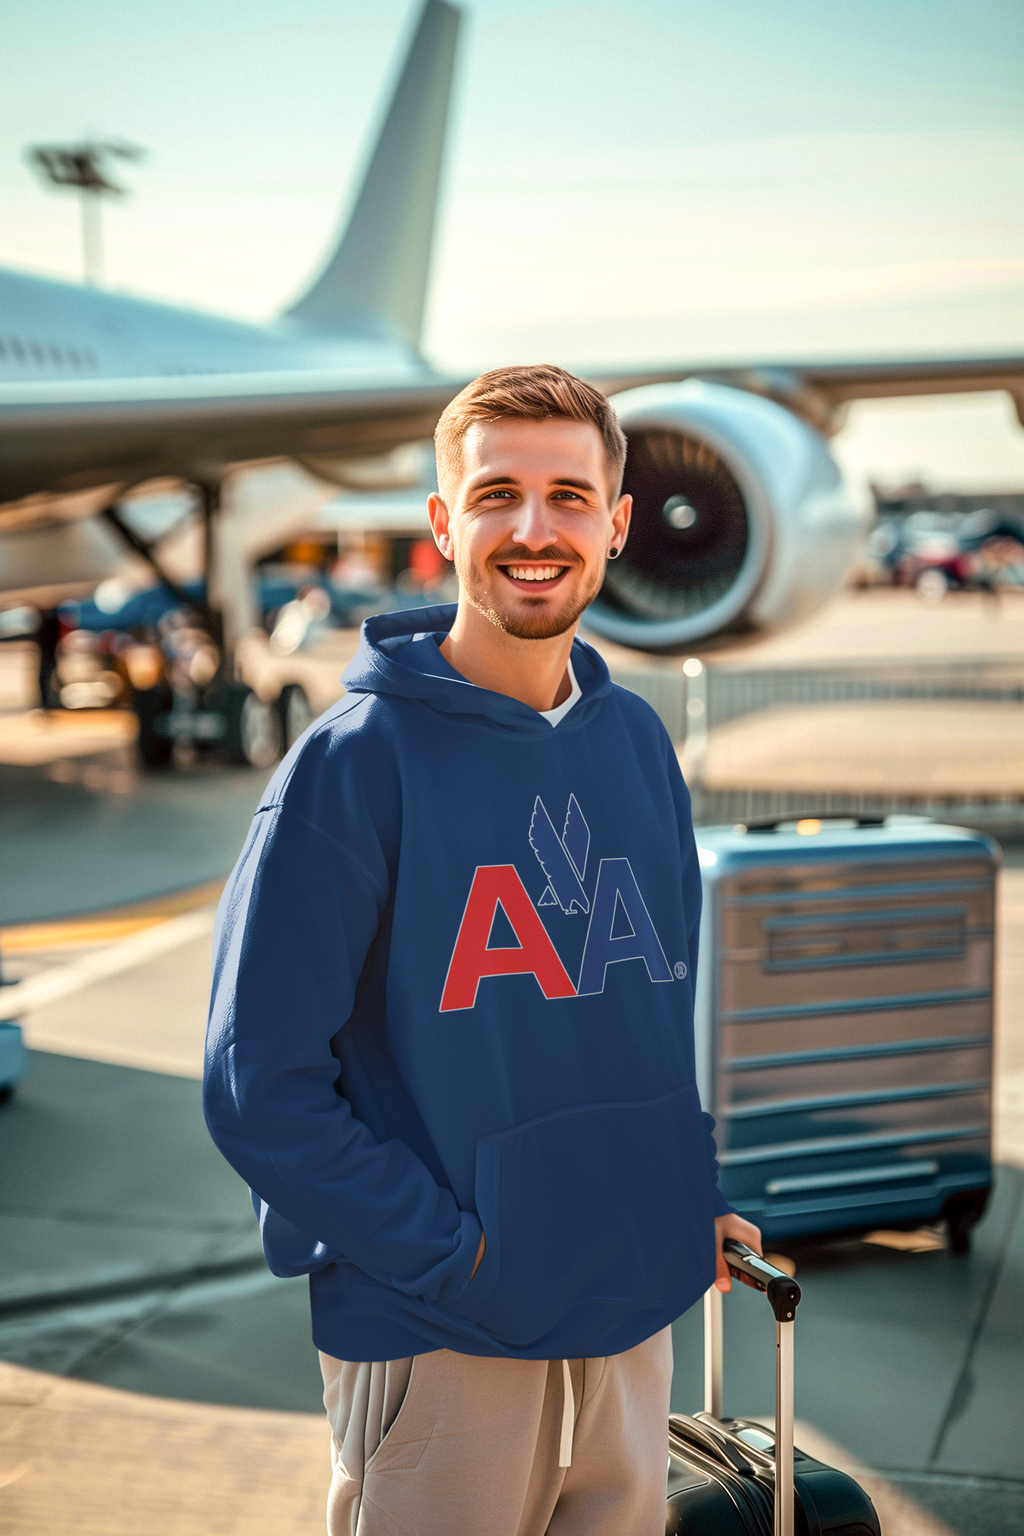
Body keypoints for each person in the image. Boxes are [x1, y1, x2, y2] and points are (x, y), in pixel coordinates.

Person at [204, 364, 761, 1536]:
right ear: (443, 524)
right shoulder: (352, 765)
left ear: (615, 524)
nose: (532, 528)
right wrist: (460, 1262)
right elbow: (260, 1089)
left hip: (628, 1305)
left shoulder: (637, 745)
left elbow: (643, 1022)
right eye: (497, 492)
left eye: (568, 495)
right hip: (439, 1332)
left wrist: (679, 1193)